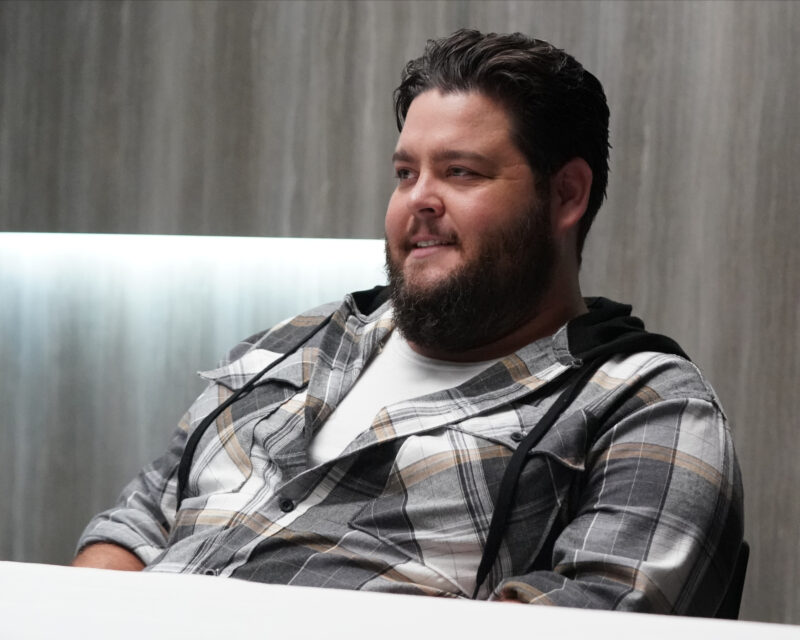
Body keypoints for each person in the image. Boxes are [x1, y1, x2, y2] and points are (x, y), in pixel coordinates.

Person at [73, 29, 743, 615]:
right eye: (404, 172)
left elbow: (592, 617)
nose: (418, 199)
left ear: (566, 194)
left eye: (460, 172)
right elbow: (137, 524)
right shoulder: (293, 344)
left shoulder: (649, 406)